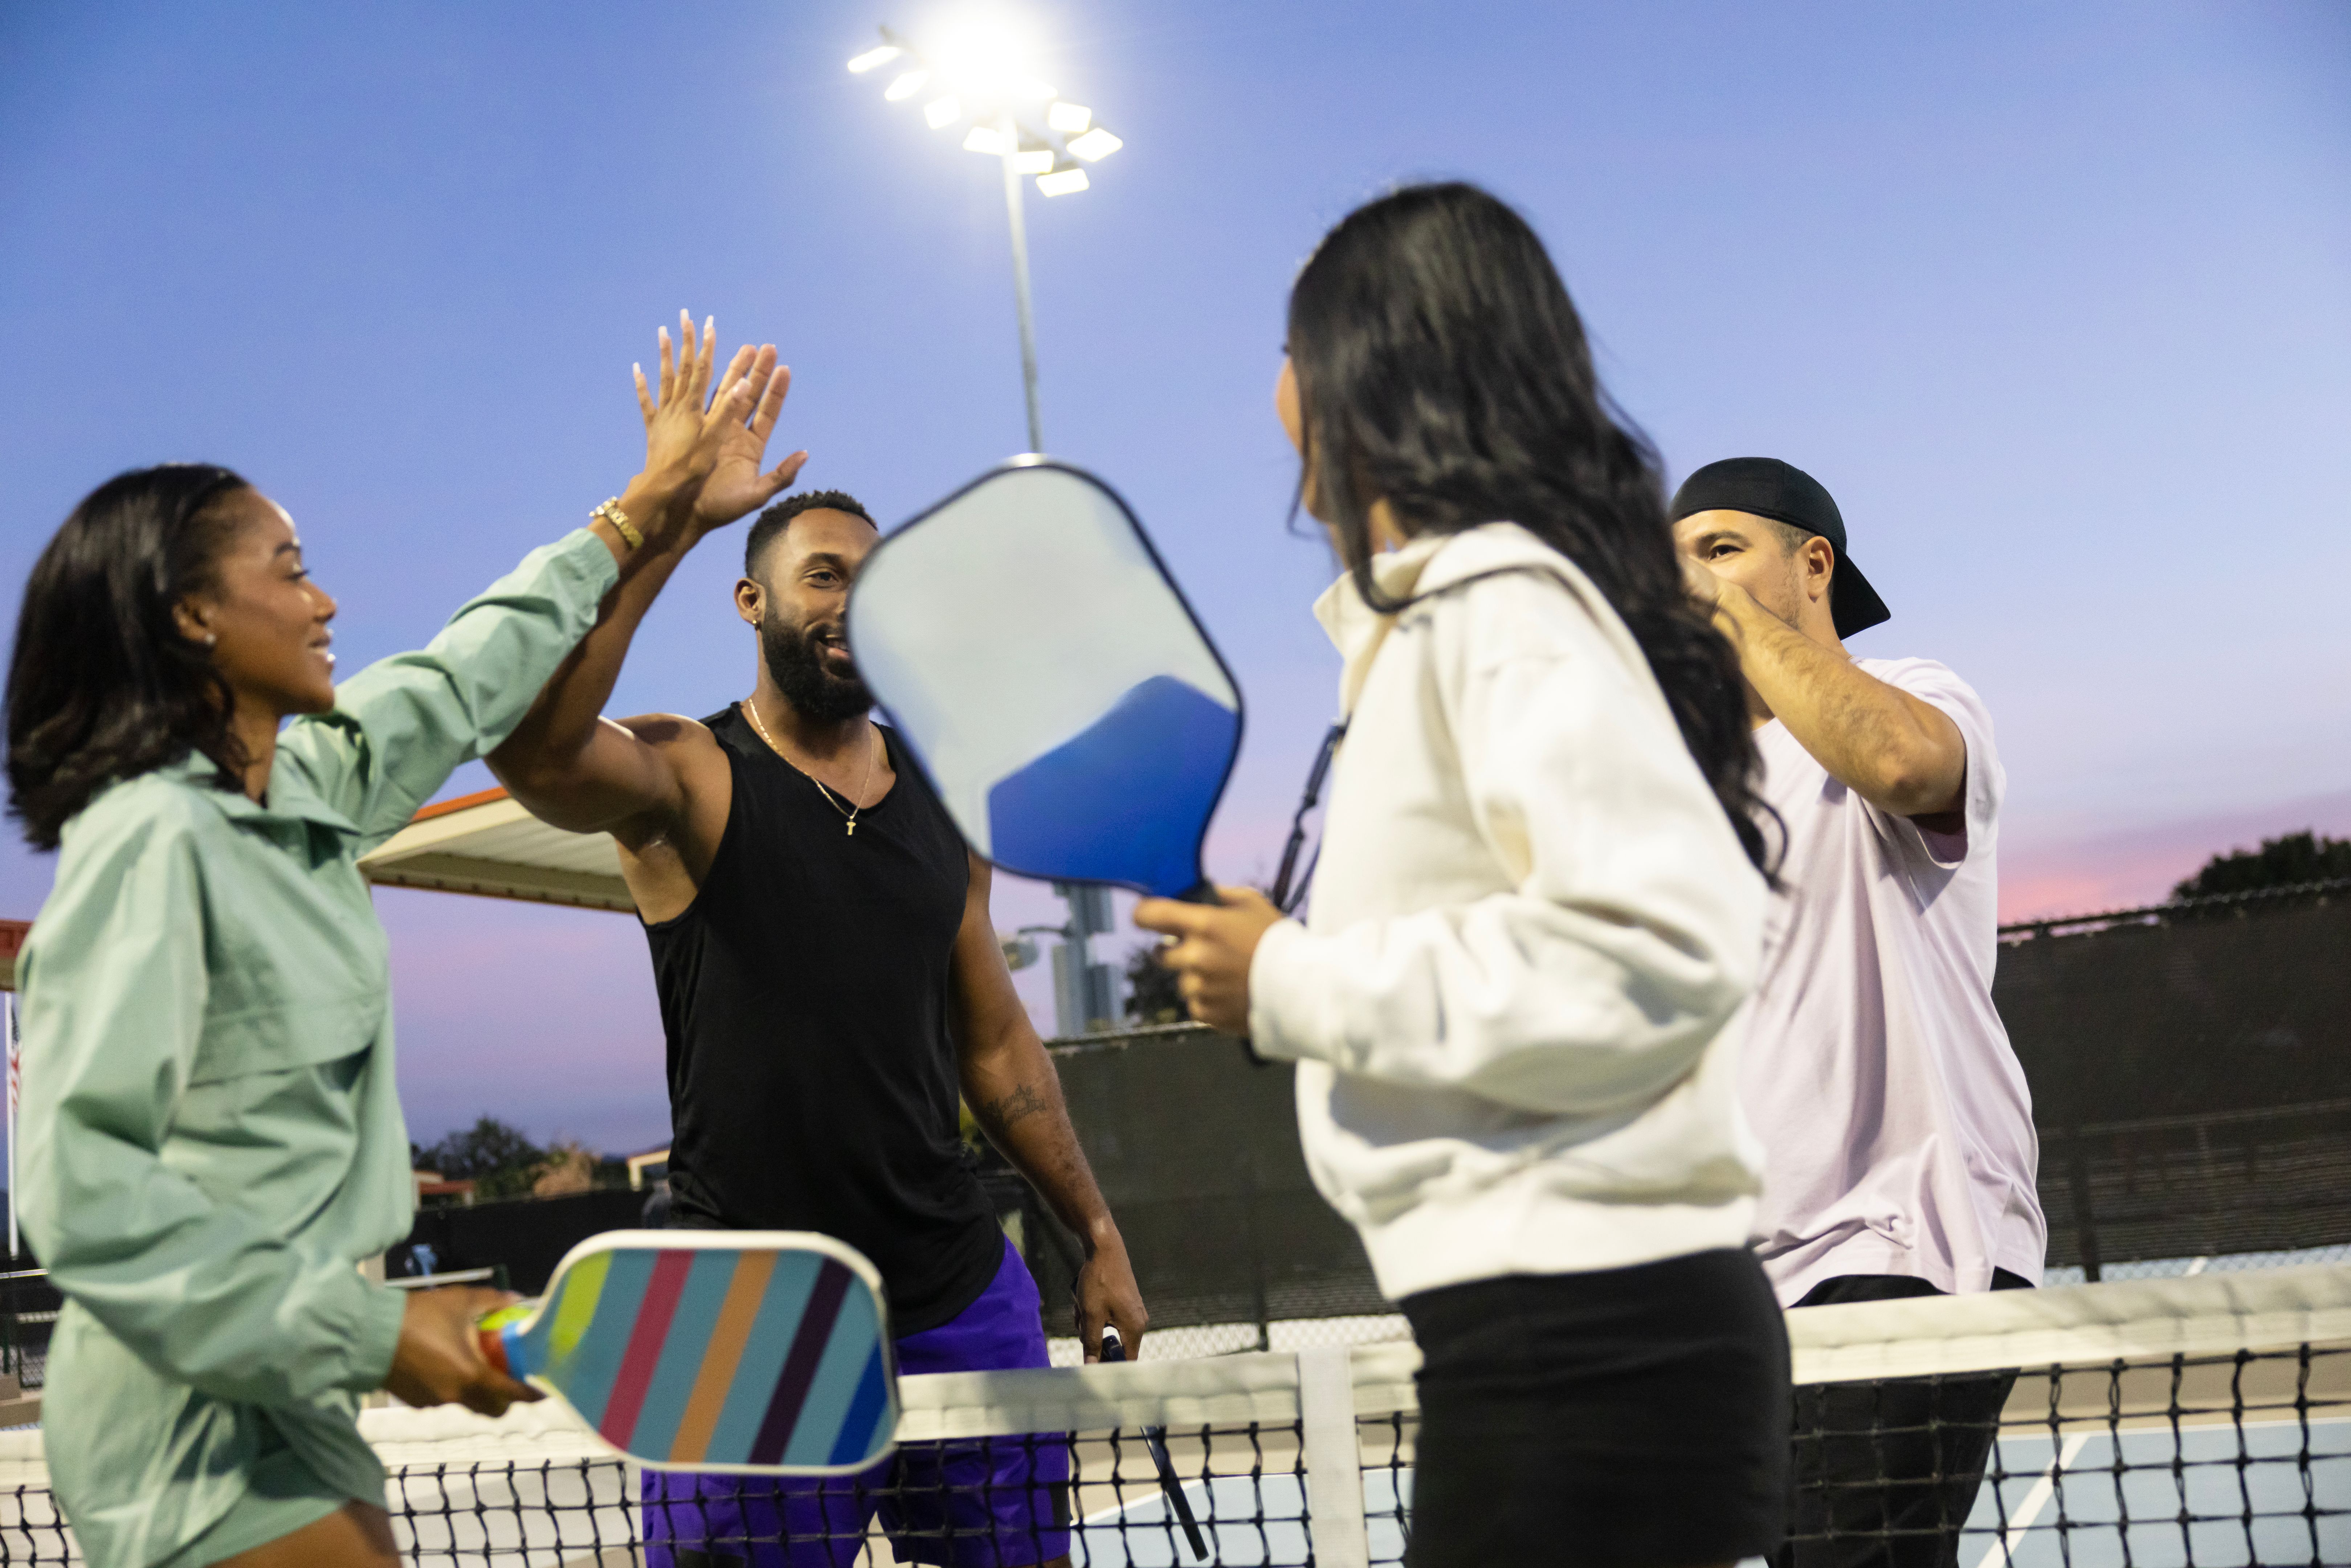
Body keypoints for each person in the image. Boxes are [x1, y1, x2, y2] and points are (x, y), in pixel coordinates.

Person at [5, 312, 779, 1568]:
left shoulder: (316, 784)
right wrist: (370, 1335)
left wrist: (648, 508)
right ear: (193, 614)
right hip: (180, 1429)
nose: (327, 601)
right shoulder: (149, 845)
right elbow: (86, 1202)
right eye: (291, 567)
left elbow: (471, 671)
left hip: (297, 1403)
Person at [1137, 182, 1790, 1568]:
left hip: (1585, 1349)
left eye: (1290, 345)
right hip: (1562, 1345)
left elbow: (1656, 951)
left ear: (1375, 368)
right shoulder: (1468, 615)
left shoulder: (1498, 604)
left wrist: (1294, 977)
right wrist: (1280, 979)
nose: (1273, 391)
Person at [486, 475, 1147, 1566]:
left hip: (958, 1298)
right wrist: (665, 530)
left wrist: (1099, 1232)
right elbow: (537, 750)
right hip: (745, 1320)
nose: (853, 603)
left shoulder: (943, 802)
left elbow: (994, 1044)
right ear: (753, 603)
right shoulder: (689, 774)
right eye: (823, 576)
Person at [1672, 457, 2045, 1567]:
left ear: (1813, 565)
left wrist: (1732, 620)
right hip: (1743, 1280)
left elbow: (1891, 758)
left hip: (1902, 1243)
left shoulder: (1920, 691)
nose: (1688, 581)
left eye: (1722, 550)